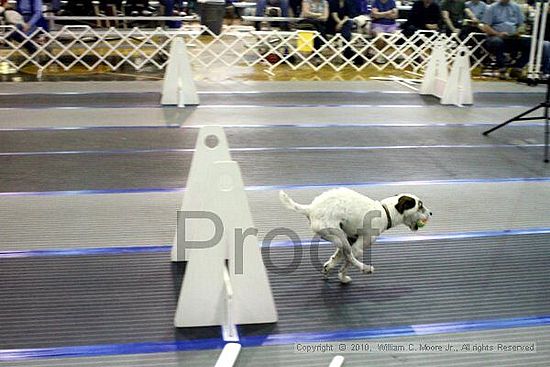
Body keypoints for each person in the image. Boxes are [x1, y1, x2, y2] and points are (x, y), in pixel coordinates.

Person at [481, 0, 530, 78]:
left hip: (513, 37)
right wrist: (498, 34)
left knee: (530, 43)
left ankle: (517, 67)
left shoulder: (516, 7)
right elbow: (485, 27)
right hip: (495, 36)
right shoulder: (491, 8)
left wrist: (518, 32)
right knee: (497, 42)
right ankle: (502, 68)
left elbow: (521, 24)